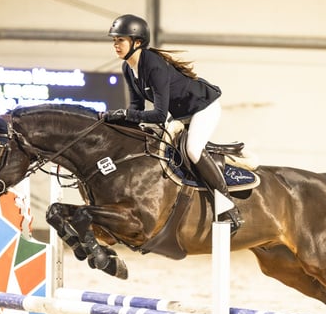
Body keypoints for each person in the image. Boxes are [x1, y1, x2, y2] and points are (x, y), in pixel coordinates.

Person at [101, 13, 243, 235]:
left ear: (137, 42)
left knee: (192, 150)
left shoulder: (154, 66)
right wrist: (118, 119)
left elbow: (158, 115)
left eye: (120, 40)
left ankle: (227, 205)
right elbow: (137, 108)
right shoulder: (128, 68)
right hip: (180, 115)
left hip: (203, 107)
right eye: (114, 40)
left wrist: (125, 114)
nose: (115, 45)